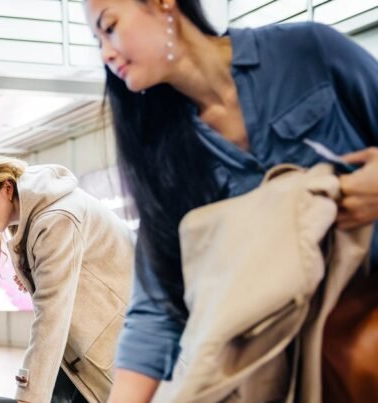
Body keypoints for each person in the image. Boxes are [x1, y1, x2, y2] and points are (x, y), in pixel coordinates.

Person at [82, 0, 378, 401]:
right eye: (96, 40)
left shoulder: (308, 52)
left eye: (109, 27)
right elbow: (157, 307)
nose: (106, 53)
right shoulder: (161, 155)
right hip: (288, 366)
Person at [0, 155, 135, 403]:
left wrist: (27, 396)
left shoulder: (56, 218)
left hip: (115, 347)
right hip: (92, 347)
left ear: (7, 187)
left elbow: (51, 313)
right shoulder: (36, 216)